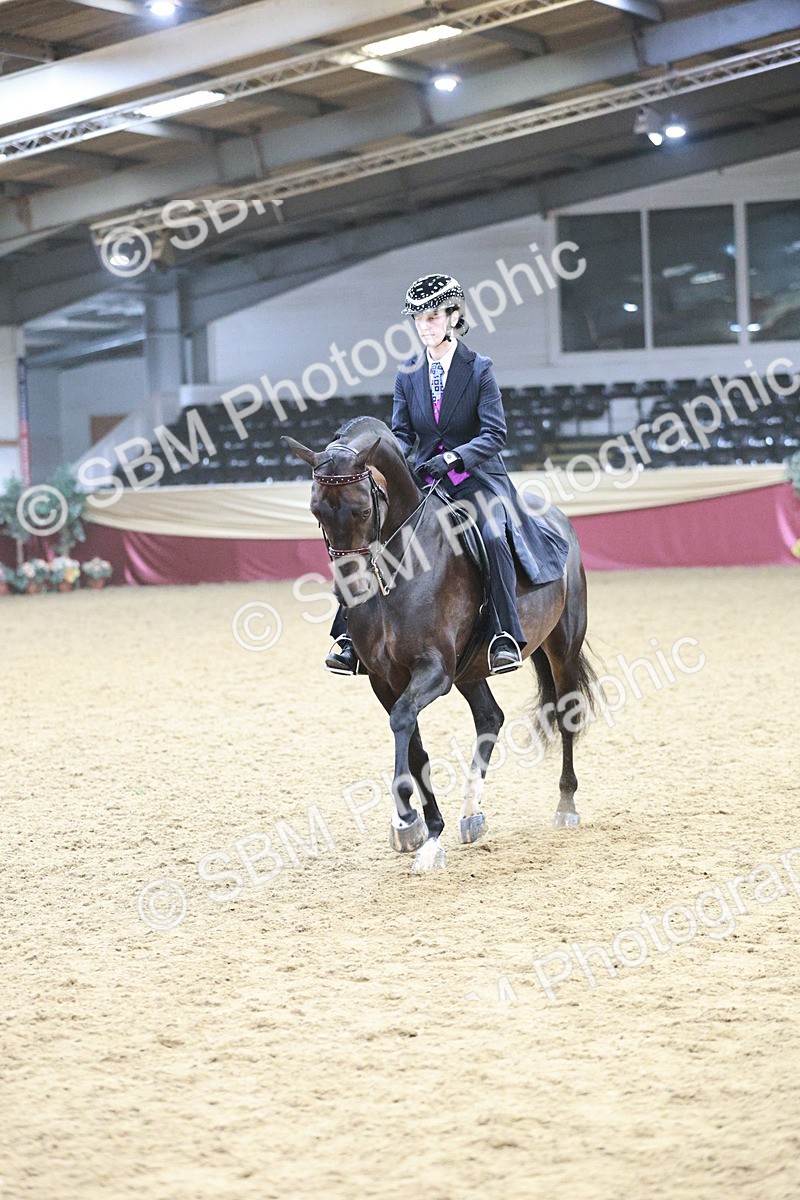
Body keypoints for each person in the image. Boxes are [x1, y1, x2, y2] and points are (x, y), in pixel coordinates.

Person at [325, 272, 570, 675]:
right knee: (369, 536)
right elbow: (402, 434)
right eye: (419, 319)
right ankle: (348, 637)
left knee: (491, 533)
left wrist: (455, 458)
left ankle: (503, 634)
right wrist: (392, 462)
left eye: (434, 316)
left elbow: (495, 434)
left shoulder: (479, 369)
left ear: (455, 316)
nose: (425, 326)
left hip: (475, 479)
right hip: (424, 479)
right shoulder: (407, 374)